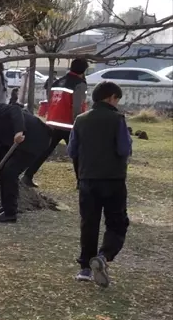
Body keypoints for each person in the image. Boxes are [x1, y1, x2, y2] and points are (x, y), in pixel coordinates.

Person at [68, 82, 131, 287]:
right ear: (111, 97)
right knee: (117, 222)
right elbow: (123, 149)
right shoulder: (117, 119)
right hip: (113, 180)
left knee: (89, 223)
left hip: (87, 179)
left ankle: (85, 268)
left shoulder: (80, 120)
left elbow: (72, 150)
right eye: (117, 99)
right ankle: (104, 257)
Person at [24, 58, 89, 188]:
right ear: (84, 71)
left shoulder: (58, 81)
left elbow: (51, 100)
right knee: (78, 152)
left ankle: (27, 176)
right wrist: (80, 123)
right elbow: (77, 106)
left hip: (53, 122)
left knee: (45, 151)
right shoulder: (79, 84)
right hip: (69, 124)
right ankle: (81, 182)